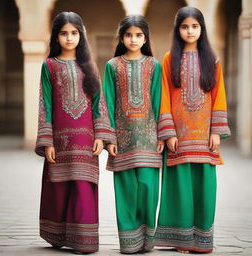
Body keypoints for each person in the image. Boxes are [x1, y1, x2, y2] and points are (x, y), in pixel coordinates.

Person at [35, 12, 115, 253]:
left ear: (81, 36)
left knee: (83, 185)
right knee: (59, 187)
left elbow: (99, 103)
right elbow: (45, 104)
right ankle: (58, 236)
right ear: (56, 36)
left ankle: (84, 241)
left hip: (86, 138)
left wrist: (101, 135)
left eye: (74, 33)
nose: (69, 38)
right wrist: (47, 140)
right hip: (60, 139)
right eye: (63, 33)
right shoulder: (49, 66)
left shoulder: (89, 66)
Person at [155, 7, 231, 253]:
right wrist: (168, 132)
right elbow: (164, 95)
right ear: (178, 30)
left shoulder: (213, 60)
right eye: (185, 27)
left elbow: (219, 96)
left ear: (202, 29)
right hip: (178, 137)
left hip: (205, 137)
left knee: (204, 187)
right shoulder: (169, 59)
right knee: (180, 188)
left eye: (195, 26)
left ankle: (202, 239)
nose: (190, 31)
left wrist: (216, 132)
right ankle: (182, 240)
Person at [102, 15, 164, 254]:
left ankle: (147, 241)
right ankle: (128, 243)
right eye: (128, 35)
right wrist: (109, 139)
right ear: (121, 37)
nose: (133, 39)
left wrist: (161, 135)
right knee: (126, 191)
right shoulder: (112, 66)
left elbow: (159, 101)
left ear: (145, 37)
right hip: (123, 141)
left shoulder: (154, 65)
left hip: (149, 139)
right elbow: (107, 103)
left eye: (139, 35)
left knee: (148, 190)